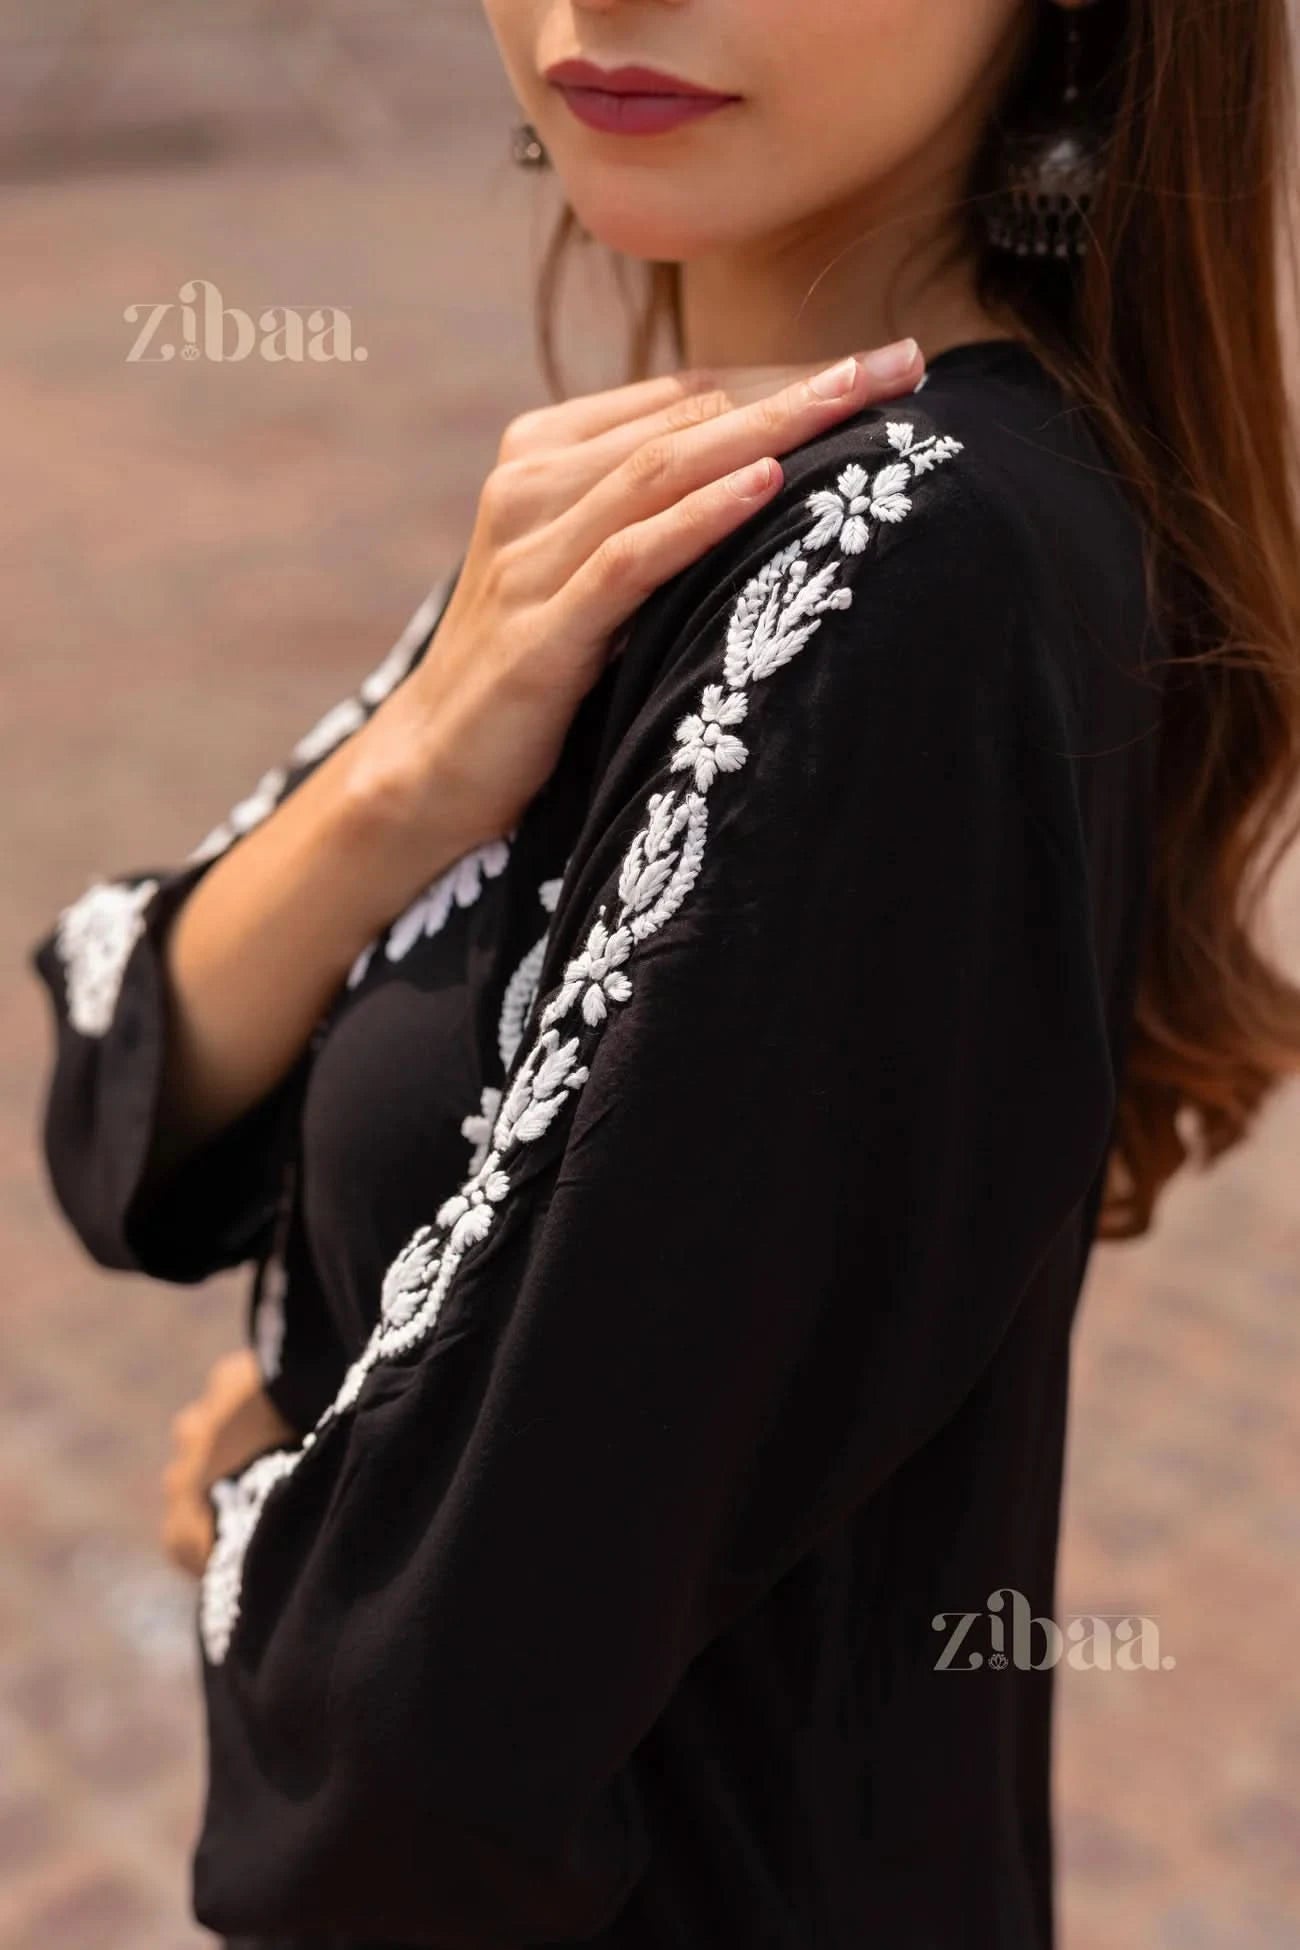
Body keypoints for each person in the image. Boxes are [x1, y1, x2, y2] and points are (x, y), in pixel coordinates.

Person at [26, 0, 1300, 1945]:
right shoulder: (668, 479)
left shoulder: (912, 574)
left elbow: (417, 1735)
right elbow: (127, 1121)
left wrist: (286, 1477)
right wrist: (405, 768)